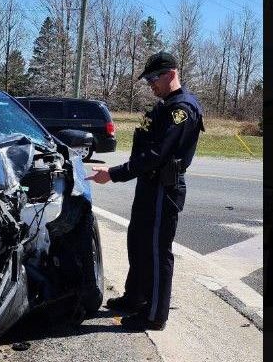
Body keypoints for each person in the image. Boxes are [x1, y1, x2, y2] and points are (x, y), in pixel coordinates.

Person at [86, 51, 205, 330]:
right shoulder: (166, 104)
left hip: (164, 188)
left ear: (171, 74)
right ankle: (135, 298)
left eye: (154, 78)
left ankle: (154, 315)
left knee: (156, 250)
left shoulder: (181, 110)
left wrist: (114, 174)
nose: (150, 84)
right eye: (148, 79)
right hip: (149, 186)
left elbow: (156, 155)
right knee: (138, 242)